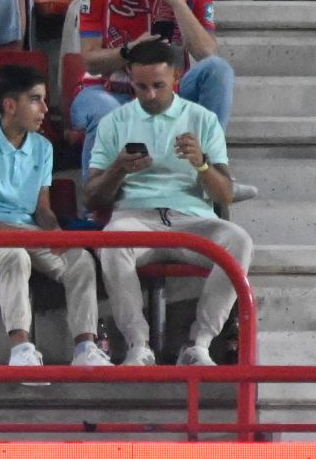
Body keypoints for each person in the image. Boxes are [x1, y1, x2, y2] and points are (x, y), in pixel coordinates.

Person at [87, 39, 253, 367]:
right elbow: (92, 196)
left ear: (176, 77)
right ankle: (138, 343)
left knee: (239, 240)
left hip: (192, 218)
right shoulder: (114, 122)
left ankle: (199, 344)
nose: (149, 95)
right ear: (130, 79)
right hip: (136, 216)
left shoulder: (202, 119)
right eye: (140, 86)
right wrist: (118, 169)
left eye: (158, 86)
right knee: (112, 240)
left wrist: (202, 164)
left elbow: (225, 194)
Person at [71, 0, 244, 197]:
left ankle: (213, 171)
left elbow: (206, 52)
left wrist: (176, 1)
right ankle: (98, 201)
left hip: (168, 91)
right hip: (106, 89)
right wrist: (129, 52)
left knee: (219, 70)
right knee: (106, 113)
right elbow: (90, 60)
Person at [0, 64, 110, 370]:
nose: (44, 109)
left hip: (28, 230)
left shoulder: (43, 147)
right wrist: (14, 236)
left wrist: (56, 235)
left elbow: (42, 209)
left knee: (80, 261)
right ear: (10, 105)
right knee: (15, 257)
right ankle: (21, 349)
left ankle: (85, 347)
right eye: (35, 99)